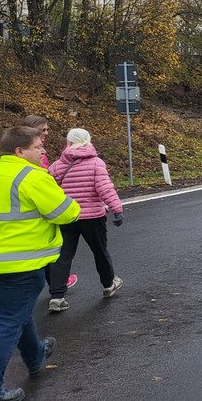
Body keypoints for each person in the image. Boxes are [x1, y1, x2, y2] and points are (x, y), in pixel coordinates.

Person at [0, 126, 81, 401]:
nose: (43, 151)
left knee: (16, 311)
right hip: (23, 265)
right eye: (38, 146)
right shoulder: (32, 177)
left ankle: (36, 354)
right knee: (8, 322)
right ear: (20, 151)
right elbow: (67, 213)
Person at [46, 128, 125, 313]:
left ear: (68, 143)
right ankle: (108, 284)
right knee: (100, 251)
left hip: (66, 217)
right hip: (92, 218)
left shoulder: (57, 165)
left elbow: (49, 191)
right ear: (88, 141)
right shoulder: (96, 163)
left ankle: (57, 297)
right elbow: (104, 188)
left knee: (62, 256)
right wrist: (117, 209)